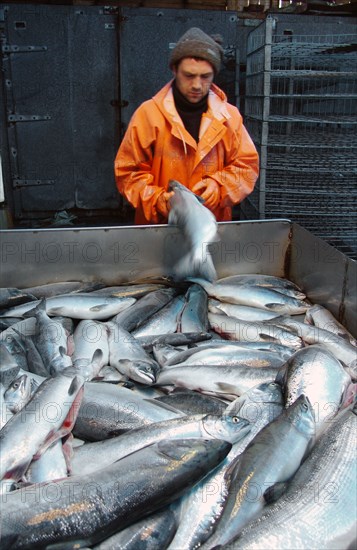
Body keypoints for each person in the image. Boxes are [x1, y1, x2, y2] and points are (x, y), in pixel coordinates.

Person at [114, 27, 259, 225]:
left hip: (211, 231)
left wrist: (219, 186)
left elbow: (247, 167)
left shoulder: (230, 117)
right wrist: (159, 201)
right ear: (174, 70)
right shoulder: (147, 115)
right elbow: (127, 173)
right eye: (189, 76)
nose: (197, 85)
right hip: (160, 230)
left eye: (205, 76)